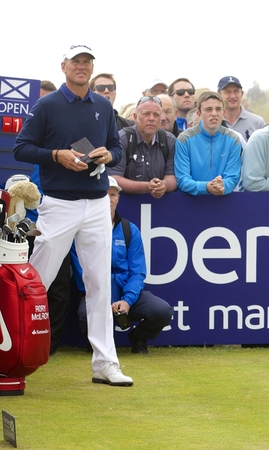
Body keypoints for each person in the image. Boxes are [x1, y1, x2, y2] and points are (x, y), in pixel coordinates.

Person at [13, 44, 133, 386]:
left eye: (87, 62)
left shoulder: (103, 106)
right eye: (76, 62)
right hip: (59, 203)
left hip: (96, 204)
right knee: (35, 281)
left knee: (99, 283)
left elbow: (116, 146)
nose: (82, 67)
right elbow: (22, 147)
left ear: (92, 68)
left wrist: (107, 156)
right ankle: (11, 353)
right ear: (64, 66)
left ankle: (105, 364)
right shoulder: (47, 105)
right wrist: (56, 155)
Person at [75, 177, 173, 354]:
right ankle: (102, 346)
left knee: (163, 311)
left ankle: (138, 337)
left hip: (126, 293)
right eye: (104, 195)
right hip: (96, 292)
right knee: (85, 315)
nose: (109, 199)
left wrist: (127, 300)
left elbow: (138, 273)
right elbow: (81, 272)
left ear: (118, 198)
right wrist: (105, 296)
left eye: (113, 195)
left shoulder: (130, 230)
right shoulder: (82, 231)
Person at [175, 91, 242, 196]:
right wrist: (206, 187)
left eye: (218, 109)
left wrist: (222, 186)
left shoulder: (234, 140)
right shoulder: (184, 139)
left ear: (223, 113)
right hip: (190, 204)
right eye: (208, 109)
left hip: (222, 203)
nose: (214, 113)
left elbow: (233, 177)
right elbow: (182, 179)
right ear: (199, 113)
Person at [111, 95, 177, 198]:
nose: (151, 118)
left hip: (160, 205)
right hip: (126, 204)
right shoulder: (122, 138)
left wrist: (164, 185)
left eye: (156, 115)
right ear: (135, 117)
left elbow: (172, 177)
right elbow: (114, 178)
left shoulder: (169, 140)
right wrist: (147, 187)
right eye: (146, 114)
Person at [218, 76, 265, 142]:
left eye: (236, 91)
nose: (233, 96)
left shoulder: (258, 123)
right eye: (228, 92)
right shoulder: (213, 123)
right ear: (219, 95)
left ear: (242, 94)